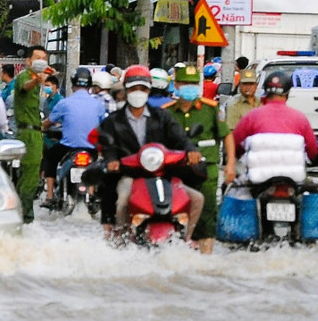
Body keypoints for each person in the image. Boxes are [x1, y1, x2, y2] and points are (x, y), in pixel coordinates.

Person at [96, 65, 205, 242]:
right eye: (133, 88)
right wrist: (112, 161)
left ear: (149, 90)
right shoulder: (113, 120)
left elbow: (180, 138)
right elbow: (108, 147)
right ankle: (123, 239)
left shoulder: (163, 116)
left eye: (143, 88)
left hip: (163, 175)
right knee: (122, 201)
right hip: (130, 175)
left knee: (197, 198)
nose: (138, 92)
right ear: (126, 89)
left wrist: (191, 151)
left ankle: (186, 239)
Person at [168, 64, 234, 254]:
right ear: (176, 84)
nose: (189, 86)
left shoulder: (211, 109)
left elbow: (227, 135)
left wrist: (229, 165)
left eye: (192, 83)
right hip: (176, 169)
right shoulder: (168, 111)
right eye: (184, 82)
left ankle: (206, 256)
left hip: (207, 169)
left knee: (208, 210)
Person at [41, 68, 108, 207]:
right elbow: (105, 126)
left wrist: (40, 128)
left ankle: (49, 196)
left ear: (72, 84)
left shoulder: (64, 103)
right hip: (91, 149)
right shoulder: (98, 105)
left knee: (50, 158)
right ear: (90, 85)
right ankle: (94, 192)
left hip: (68, 147)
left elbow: (48, 122)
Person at [231, 69, 318, 169]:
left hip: (258, 173)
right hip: (293, 175)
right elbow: (312, 150)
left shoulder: (252, 116)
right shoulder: (299, 118)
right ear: (287, 93)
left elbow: (236, 144)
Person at [12, 46, 50, 222]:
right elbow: (25, 87)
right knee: (29, 176)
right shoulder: (25, 77)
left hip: (35, 131)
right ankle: (25, 217)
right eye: (37, 58)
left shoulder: (40, 79)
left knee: (30, 176)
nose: (41, 61)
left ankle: (20, 214)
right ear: (29, 61)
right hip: (27, 133)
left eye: (44, 58)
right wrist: (37, 80)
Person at [223, 67, 262, 134]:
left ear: (256, 85)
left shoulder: (262, 102)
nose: (248, 87)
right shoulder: (234, 105)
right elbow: (232, 132)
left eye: (251, 84)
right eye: (245, 84)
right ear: (240, 85)